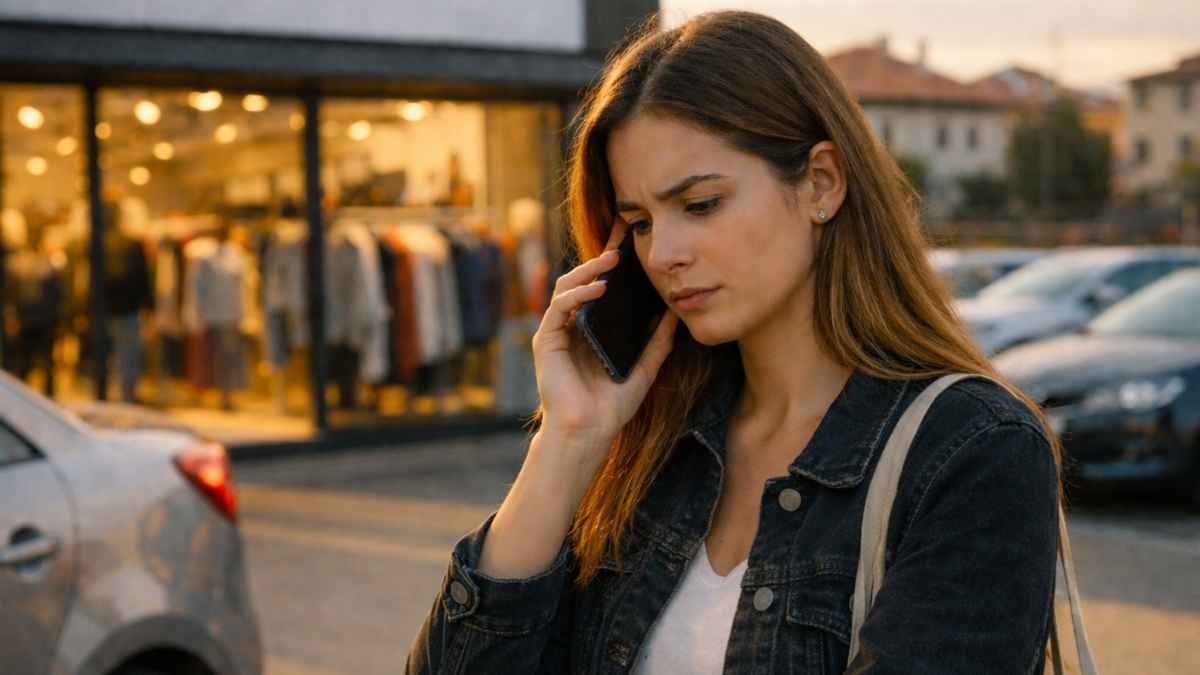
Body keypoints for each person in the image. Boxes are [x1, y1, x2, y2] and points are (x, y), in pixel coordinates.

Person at [406, 10, 1061, 674]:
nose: (663, 253)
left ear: (821, 183)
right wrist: (567, 442)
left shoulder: (972, 449)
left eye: (700, 205)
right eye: (637, 222)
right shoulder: (654, 445)